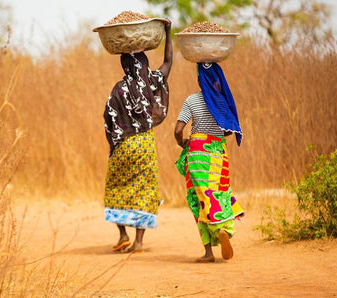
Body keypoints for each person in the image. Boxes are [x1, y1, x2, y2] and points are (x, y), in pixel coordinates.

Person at [103, 19, 173, 254]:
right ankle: (139, 242)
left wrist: (113, 146)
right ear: (144, 63)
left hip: (123, 145)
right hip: (144, 144)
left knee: (116, 187)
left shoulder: (118, 88)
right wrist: (168, 32)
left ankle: (122, 234)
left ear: (124, 65)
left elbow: (109, 118)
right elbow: (168, 61)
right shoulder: (152, 82)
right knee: (144, 189)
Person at [174, 62, 245, 262]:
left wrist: (183, 144)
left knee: (198, 199)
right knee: (220, 193)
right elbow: (230, 129)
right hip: (218, 153)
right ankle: (224, 229)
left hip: (198, 154)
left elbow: (178, 130)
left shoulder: (192, 100)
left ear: (199, 80)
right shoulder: (222, 101)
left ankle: (208, 251)